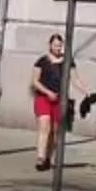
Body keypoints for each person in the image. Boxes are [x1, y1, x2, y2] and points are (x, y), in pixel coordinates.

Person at [30, 33, 69, 171]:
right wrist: (47, 92)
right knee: (44, 127)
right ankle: (40, 158)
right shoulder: (41, 61)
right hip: (43, 98)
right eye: (55, 45)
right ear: (50, 45)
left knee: (55, 131)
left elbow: (74, 78)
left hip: (59, 100)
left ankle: (48, 157)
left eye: (60, 45)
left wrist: (85, 91)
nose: (58, 48)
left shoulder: (66, 61)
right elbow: (34, 81)